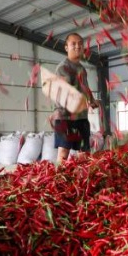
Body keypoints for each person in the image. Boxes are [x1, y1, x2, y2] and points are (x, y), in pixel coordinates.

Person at [52, 32, 99, 165]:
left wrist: (92, 100)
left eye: (80, 43)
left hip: (81, 117)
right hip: (65, 117)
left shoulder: (82, 69)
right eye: (73, 44)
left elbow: (85, 87)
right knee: (63, 153)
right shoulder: (63, 68)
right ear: (66, 47)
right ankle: (58, 181)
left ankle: (81, 180)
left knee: (84, 153)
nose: (77, 46)